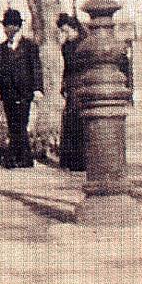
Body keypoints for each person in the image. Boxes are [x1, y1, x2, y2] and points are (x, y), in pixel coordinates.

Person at [0, 8, 43, 169]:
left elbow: (36, 68)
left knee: (21, 124)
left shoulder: (29, 46)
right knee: (12, 125)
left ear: (17, 27)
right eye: (6, 27)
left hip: (24, 91)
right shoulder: (1, 48)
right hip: (7, 91)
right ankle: (17, 157)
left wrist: (37, 89)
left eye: (12, 27)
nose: (9, 31)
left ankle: (23, 158)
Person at [56, 13, 87, 171]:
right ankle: (72, 160)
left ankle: (81, 160)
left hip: (81, 83)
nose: (64, 34)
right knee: (70, 121)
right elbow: (67, 68)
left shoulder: (84, 44)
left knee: (79, 121)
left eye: (66, 31)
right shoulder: (66, 46)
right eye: (62, 31)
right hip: (71, 84)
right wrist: (63, 84)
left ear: (75, 29)